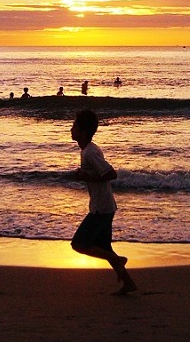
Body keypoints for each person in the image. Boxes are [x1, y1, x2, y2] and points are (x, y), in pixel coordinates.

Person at [68, 109, 137, 295]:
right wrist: (86, 176)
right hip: (105, 206)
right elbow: (98, 174)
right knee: (105, 247)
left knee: (79, 244)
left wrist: (87, 178)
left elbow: (110, 174)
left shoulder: (90, 152)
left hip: (101, 209)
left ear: (83, 131)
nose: (71, 129)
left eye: (75, 126)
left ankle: (119, 261)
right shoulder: (88, 150)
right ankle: (129, 283)